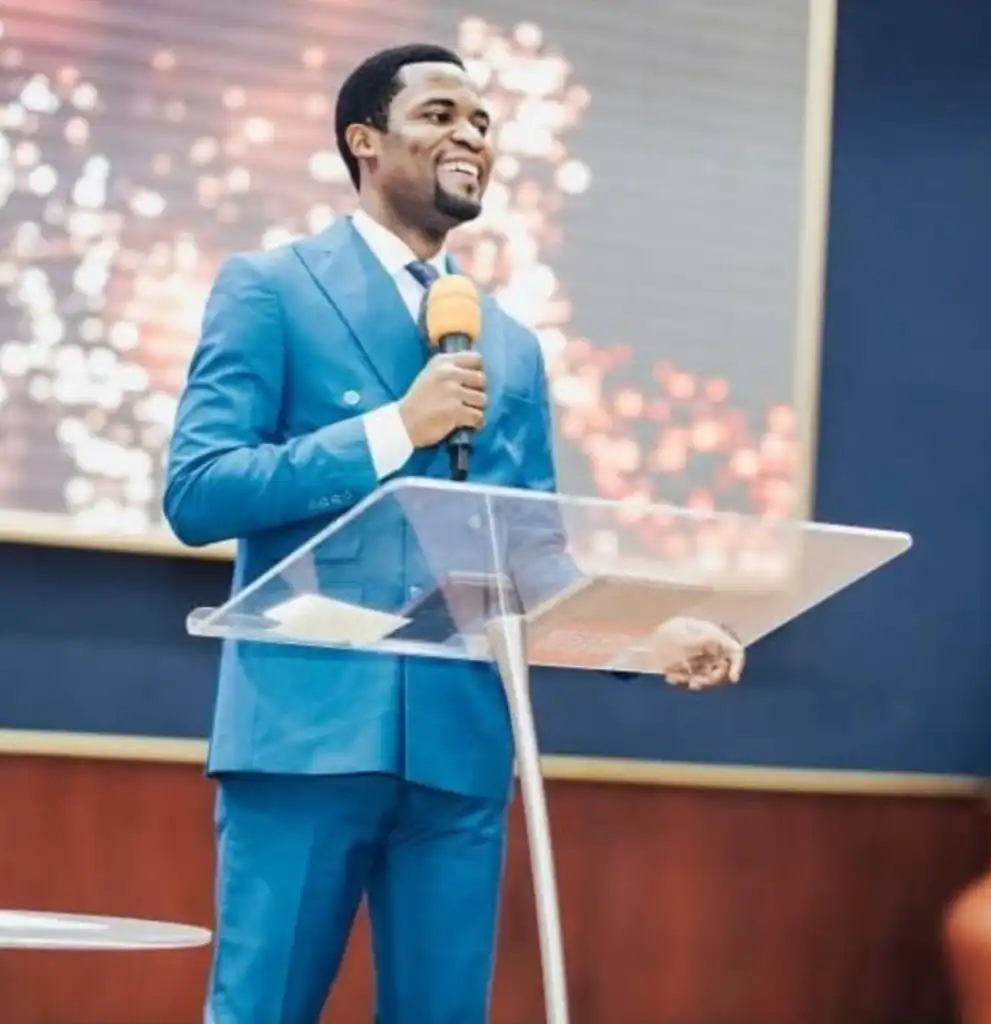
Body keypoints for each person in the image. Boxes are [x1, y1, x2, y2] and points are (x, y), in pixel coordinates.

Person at [164, 43, 744, 1024]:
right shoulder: (271, 288)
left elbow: (532, 554)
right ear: (364, 141)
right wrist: (396, 428)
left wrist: (648, 638)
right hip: (305, 737)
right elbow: (198, 491)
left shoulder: (509, 345)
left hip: (460, 749)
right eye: (439, 115)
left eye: (481, 121)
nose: (470, 135)